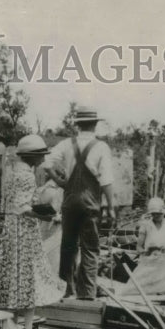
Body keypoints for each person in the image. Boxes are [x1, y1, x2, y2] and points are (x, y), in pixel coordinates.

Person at [0, 134, 65, 329]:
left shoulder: (10, 172)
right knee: (30, 276)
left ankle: (10, 327)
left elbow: (11, 204)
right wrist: (44, 215)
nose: (43, 159)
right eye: (41, 155)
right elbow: (23, 208)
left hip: (11, 229)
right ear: (31, 156)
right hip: (24, 230)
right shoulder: (26, 175)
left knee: (14, 277)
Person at [43, 106, 114, 300]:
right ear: (95, 124)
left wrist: (58, 181)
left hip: (69, 203)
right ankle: (87, 294)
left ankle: (65, 290)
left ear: (78, 125)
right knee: (90, 248)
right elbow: (106, 180)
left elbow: (46, 164)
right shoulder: (101, 147)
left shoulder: (66, 144)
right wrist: (111, 207)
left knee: (68, 247)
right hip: (90, 204)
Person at [120, 197, 165, 295]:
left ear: (163, 212)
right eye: (154, 214)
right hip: (148, 265)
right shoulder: (146, 226)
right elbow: (139, 248)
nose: (157, 216)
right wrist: (147, 251)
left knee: (164, 295)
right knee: (132, 291)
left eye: (159, 213)